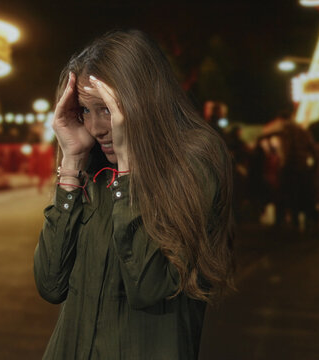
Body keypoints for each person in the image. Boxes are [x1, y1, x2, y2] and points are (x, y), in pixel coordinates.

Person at [34, 30, 235, 359]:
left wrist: (128, 167)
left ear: (143, 100)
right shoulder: (93, 167)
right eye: (85, 110)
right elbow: (50, 283)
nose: (97, 128)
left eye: (107, 109)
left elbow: (149, 285)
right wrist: (70, 163)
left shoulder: (195, 160)